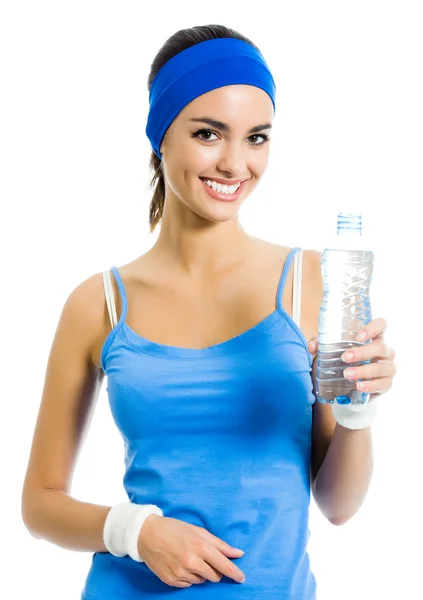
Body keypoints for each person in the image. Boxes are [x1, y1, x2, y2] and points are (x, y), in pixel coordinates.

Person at [21, 23, 396, 600]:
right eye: (208, 133)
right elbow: (40, 505)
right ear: (159, 135)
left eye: (257, 138)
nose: (234, 164)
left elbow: (339, 507)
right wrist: (135, 531)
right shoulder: (98, 304)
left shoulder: (312, 281)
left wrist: (357, 416)